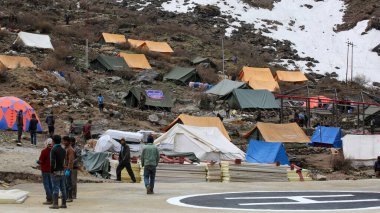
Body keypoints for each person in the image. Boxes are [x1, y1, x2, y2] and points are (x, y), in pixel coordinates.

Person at [50, 135, 67, 209]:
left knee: (55, 188)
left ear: (53, 141)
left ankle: (55, 204)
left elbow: (52, 162)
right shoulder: (63, 149)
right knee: (63, 188)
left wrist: (51, 170)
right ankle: (64, 204)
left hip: (55, 171)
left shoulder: (53, 150)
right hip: (62, 171)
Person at [37, 139, 53, 205]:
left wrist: (38, 162)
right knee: (51, 184)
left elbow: (41, 161)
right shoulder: (53, 150)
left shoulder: (44, 151)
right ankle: (52, 197)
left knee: (46, 184)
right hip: (52, 170)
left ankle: (49, 198)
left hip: (45, 170)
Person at [63, 136, 74, 203]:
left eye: (65, 141)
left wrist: (68, 169)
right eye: (63, 141)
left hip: (68, 169)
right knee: (65, 183)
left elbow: (71, 160)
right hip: (65, 168)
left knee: (68, 183)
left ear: (68, 141)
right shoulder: (65, 148)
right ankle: (66, 196)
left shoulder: (70, 149)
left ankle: (70, 197)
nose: (63, 142)